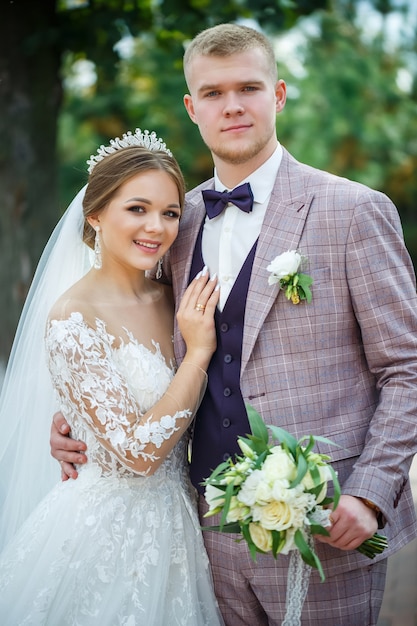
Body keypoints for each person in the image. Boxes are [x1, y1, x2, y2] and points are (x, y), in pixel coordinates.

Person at [50, 23, 417, 626]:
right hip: (200, 528)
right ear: (193, 108)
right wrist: (78, 416)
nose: (233, 106)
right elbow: (129, 338)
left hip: (324, 524)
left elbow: (405, 368)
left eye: (248, 87)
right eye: (214, 93)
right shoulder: (173, 222)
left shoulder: (354, 211)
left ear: (277, 95)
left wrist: (372, 492)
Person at [0, 130, 224, 625]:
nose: (157, 227)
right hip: (107, 533)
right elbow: (138, 455)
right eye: (137, 209)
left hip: (183, 521)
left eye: (169, 213)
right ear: (96, 215)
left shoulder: (176, 297)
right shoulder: (73, 317)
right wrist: (198, 352)